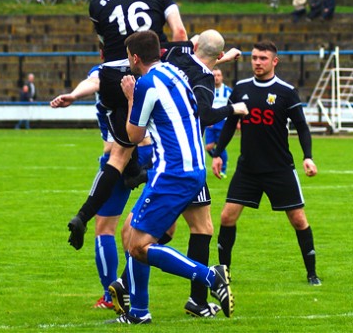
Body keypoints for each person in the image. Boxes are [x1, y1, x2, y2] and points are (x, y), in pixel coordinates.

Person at [65, 0, 187, 251]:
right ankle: (145, 178)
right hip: (149, 73)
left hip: (113, 79)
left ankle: (89, 210)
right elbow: (180, 33)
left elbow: (106, 51)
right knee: (162, 138)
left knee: (117, 152)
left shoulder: (97, 4)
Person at [107, 30, 233, 324]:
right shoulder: (174, 71)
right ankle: (138, 312)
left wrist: (129, 97)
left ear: (135, 58)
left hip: (172, 172)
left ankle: (209, 276)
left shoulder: (146, 85)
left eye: (129, 57)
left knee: (138, 245)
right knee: (133, 235)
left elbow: (134, 135)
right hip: (192, 167)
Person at [210, 40, 322, 286]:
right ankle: (223, 274)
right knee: (227, 217)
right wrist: (218, 153)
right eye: (254, 58)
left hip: (279, 168)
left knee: (298, 219)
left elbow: (302, 127)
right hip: (247, 168)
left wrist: (307, 157)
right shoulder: (240, 89)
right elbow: (230, 122)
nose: (257, 62)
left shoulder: (286, 91)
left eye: (263, 58)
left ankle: (312, 273)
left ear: (274, 61)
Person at [50, 63, 154, 311]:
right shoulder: (145, 68)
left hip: (119, 154)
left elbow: (94, 82)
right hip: (153, 150)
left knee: (106, 228)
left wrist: (74, 95)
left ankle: (112, 296)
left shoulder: (106, 70)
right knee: (147, 230)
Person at [205, 67, 233, 178]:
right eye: (214, 75)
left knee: (221, 146)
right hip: (211, 122)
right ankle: (219, 160)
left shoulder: (228, 91)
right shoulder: (207, 90)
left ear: (222, 77)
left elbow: (233, 106)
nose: (216, 78)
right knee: (208, 147)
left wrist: (237, 121)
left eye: (218, 75)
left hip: (222, 122)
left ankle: (223, 169)